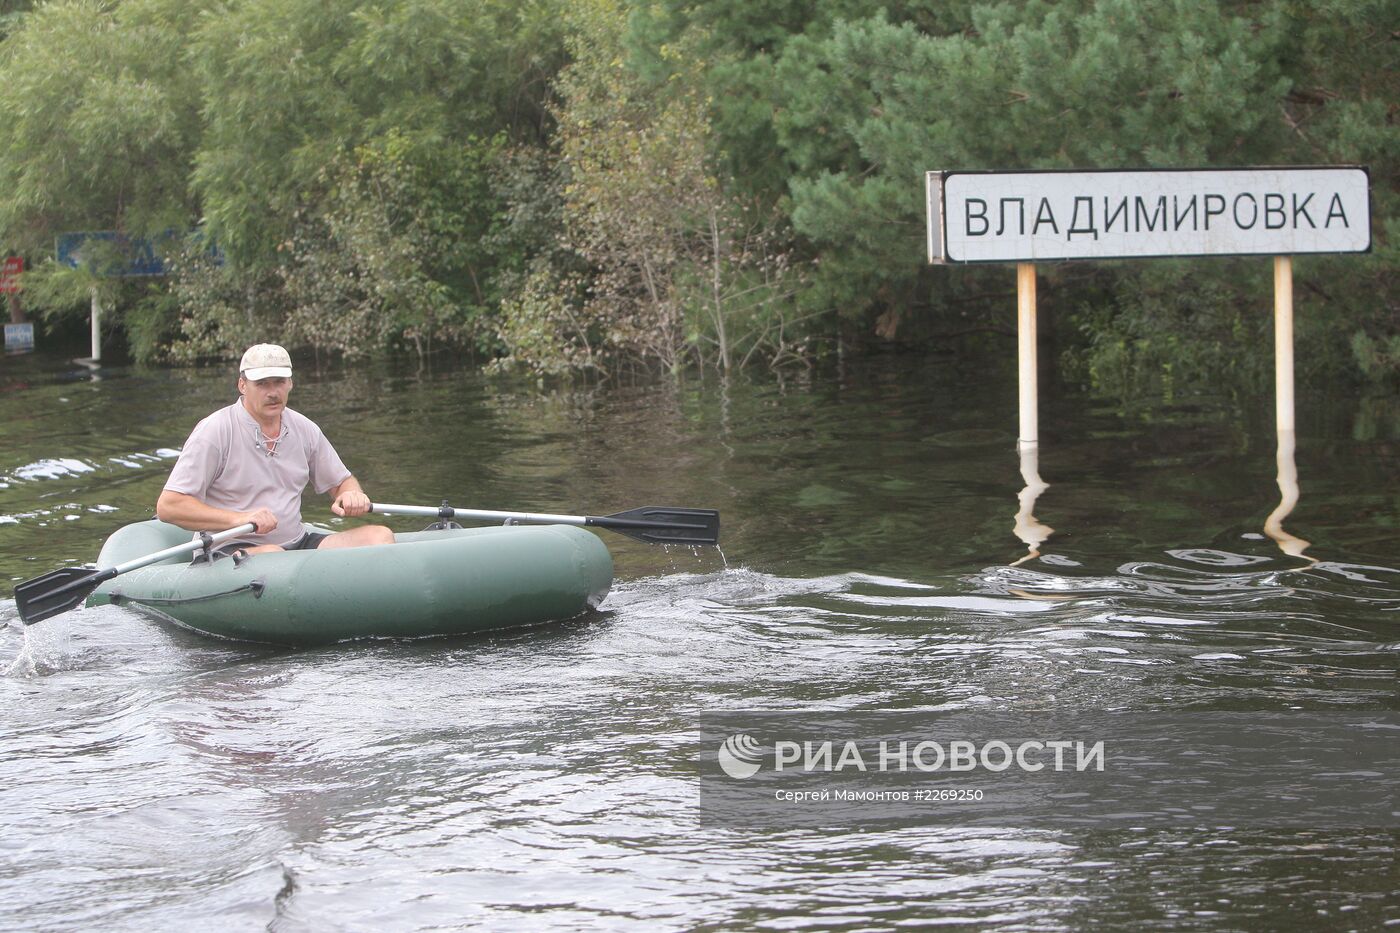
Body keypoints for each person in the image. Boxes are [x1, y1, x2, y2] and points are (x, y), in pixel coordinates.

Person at [156, 344, 395, 556]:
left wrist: (351, 494)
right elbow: (169, 506)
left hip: (296, 542)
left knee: (379, 536)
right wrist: (239, 518)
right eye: (262, 384)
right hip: (228, 548)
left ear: (290, 383)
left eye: (279, 382)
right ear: (242, 385)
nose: (273, 392)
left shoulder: (304, 428)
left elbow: (341, 482)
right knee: (273, 554)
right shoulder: (214, 431)